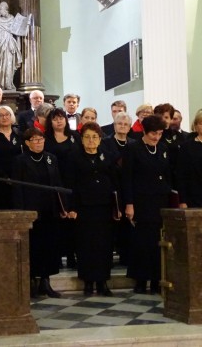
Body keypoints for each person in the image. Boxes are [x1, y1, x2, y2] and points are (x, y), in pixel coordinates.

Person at [65, 122, 119, 296]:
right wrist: (71, 207)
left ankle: (103, 282)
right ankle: (88, 282)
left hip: (104, 207)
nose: (91, 140)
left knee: (104, 245)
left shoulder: (106, 156)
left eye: (94, 137)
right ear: (81, 139)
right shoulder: (74, 157)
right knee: (86, 245)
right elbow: (70, 184)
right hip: (83, 207)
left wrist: (117, 206)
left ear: (100, 139)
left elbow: (115, 182)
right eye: (87, 137)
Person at [11, 127, 64, 298]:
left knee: (49, 246)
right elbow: (17, 187)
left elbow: (58, 183)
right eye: (35, 139)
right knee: (33, 247)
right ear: (27, 143)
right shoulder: (20, 160)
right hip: (31, 210)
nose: (39, 142)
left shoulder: (51, 159)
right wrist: (21, 211)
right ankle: (32, 281)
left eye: (41, 139)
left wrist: (62, 207)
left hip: (50, 210)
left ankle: (45, 282)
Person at [122, 114, 172, 294]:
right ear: (144, 131)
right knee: (142, 242)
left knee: (158, 241)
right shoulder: (133, 149)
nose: (156, 137)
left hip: (160, 201)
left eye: (159, 133)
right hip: (140, 201)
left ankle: (157, 279)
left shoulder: (164, 148)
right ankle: (141, 280)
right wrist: (129, 204)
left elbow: (167, 175)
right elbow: (126, 179)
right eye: (153, 133)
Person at [43, 107, 81, 269]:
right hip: (54, 183)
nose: (59, 121)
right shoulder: (46, 138)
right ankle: (59, 255)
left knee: (74, 219)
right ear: (50, 122)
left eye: (61, 118)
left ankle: (73, 255)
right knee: (58, 219)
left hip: (73, 182)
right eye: (55, 118)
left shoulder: (74, 136)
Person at [100, 111, 136, 266]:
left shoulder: (134, 144)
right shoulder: (106, 143)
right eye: (119, 123)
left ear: (129, 127)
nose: (122, 126)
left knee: (128, 226)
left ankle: (126, 256)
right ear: (114, 126)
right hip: (111, 189)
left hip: (129, 189)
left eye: (125, 124)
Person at [0, 105, 23, 209]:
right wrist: (5, 177)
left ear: (11, 116)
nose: (4, 117)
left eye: (7, 115)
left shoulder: (19, 135)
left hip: (19, 180)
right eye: (1, 115)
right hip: (1, 181)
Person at [0, 2, 23, 90]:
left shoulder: (12, 18)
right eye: (1, 8)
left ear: (7, 9)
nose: (3, 9)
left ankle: (7, 83)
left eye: (5, 8)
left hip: (9, 43)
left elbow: (17, 31)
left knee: (9, 64)